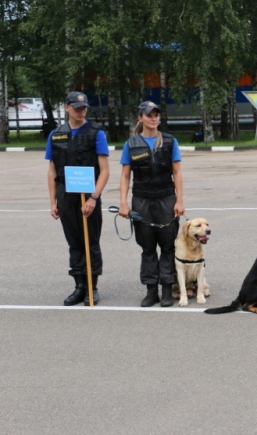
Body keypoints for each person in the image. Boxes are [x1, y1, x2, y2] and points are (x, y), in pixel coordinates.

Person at [46, 91, 110, 306]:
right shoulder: (56, 135)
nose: (81, 111)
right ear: (66, 108)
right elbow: (52, 170)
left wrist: (93, 198)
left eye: (83, 108)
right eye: (76, 108)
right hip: (66, 195)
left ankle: (92, 287)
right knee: (74, 243)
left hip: (88, 194)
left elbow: (105, 171)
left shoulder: (96, 133)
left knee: (90, 242)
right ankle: (79, 287)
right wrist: (53, 201)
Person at [118, 101, 185, 307]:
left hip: (166, 198)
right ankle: (150, 290)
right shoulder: (131, 144)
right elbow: (125, 175)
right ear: (140, 118)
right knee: (147, 246)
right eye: (149, 115)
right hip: (142, 199)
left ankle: (166, 289)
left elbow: (177, 173)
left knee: (167, 245)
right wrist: (123, 203)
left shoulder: (169, 141)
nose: (154, 118)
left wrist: (180, 200)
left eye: (156, 115)